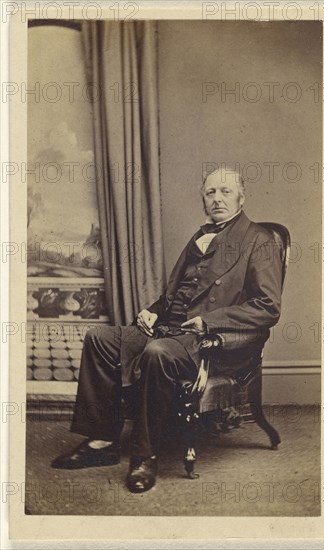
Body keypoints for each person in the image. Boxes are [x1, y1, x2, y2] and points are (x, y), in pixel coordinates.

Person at [51, 167, 283, 493]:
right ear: (203, 199)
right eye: (210, 192)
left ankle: (144, 454)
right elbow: (175, 296)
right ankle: (103, 440)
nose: (217, 198)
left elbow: (268, 306)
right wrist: (152, 311)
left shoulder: (259, 241)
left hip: (210, 341)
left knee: (156, 352)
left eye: (225, 191)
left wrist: (210, 322)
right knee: (100, 338)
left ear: (242, 197)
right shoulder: (199, 237)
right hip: (169, 330)